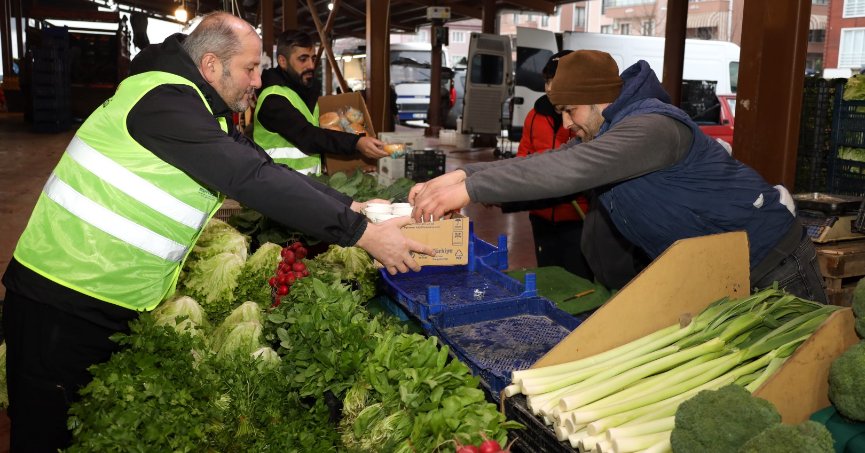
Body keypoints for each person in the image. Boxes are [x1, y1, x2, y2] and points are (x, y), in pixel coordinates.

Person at [1, 12, 432, 452]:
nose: (258, 81)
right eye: (250, 69)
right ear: (211, 65)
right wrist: (362, 234)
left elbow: (265, 167)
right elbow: (249, 179)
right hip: (62, 298)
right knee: (47, 434)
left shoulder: (197, 107)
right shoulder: (163, 104)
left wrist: (355, 208)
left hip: (107, 294)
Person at [410, 49, 827, 304]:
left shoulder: (650, 128)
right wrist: (462, 174)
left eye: (570, 111)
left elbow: (570, 169)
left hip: (771, 262)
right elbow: (546, 162)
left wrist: (470, 188)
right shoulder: (609, 131)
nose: (567, 124)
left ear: (598, 100)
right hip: (717, 268)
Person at [253, 30, 388, 174]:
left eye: (313, 58)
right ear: (282, 61)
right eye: (303, 59)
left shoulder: (303, 93)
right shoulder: (273, 99)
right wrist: (356, 143)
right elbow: (307, 135)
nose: (311, 65)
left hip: (304, 182)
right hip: (277, 183)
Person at [513, 50, 593, 280]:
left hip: (577, 218)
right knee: (548, 277)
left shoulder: (584, 118)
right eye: (547, 81)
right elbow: (523, 156)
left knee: (579, 279)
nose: (549, 88)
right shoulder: (534, 115)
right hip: (541, 216)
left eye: (554, 81)